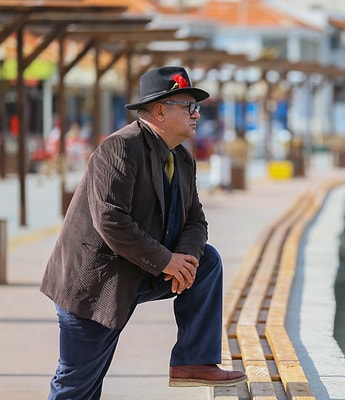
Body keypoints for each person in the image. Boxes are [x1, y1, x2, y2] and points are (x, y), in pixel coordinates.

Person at [40, 66, 247, 399]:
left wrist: (186, 260)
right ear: (160, 111)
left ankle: (193, 362)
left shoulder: (181, 158)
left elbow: (196, 220)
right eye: (188, 106)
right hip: (95, 283)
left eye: (196, 107)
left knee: (206, 262)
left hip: (138, 269)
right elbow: (110, 220)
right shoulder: (119, 148)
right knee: (78, 383)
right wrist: (167, 260)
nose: (196, 114)